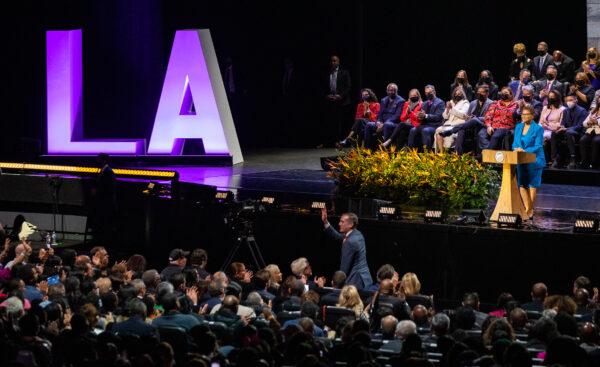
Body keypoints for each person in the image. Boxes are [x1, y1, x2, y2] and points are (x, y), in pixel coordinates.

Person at [321, 206, 372, 290]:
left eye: (342, 222)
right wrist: (325, 221)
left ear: (351, 225)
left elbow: (344, 267)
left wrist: (337, 284)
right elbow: (338, 236)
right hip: (365, 278)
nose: (339, 224)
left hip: (355, 282)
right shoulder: (357, 234)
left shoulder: (350, 242)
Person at [512, 105, 545, 220]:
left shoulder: (538, 128)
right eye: (523, 114)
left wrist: (525, 150)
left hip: (535, 159)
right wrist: (516, 149)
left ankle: (529, 210)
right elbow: (515, 143)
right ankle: (528, 208)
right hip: (521, 159)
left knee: (532, 185)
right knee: (522, 184)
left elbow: (538, 145)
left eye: (527, 114)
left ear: (532, 115)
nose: (524, 116)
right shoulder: (518, 127)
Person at [441, 86, 493, 155]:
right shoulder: (473, 103)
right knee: (462, 130)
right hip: (472, 124)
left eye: (482, 92)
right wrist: (469, 118)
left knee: (474, 119)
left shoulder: (491, 103)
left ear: (487, 93)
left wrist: (477, 118)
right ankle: (457, 154)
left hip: (483, 125)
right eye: (478, 92)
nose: (480, 94)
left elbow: (490, 117)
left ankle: (451, 131)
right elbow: (467, 118)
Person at [321, 55, 352, 147]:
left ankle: (341, 142)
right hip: (330, 101)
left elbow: (348, 86)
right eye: (331, 61)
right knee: (330, 123)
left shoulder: (344, 72)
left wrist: (340, 95)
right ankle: (330, 142)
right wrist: (327, 95)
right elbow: (322, 87)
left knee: (341, 123)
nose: (333, 62)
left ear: (338, 62)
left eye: (335, 61)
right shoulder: (327, 73)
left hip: (342, 102)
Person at [550, 94, 587, 169]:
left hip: (578, 132)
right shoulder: (565, 110)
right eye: (567, 101)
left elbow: (580, 126)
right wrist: (561, 127)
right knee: (554, 133)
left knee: (568, 133)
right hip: (567, 131)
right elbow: (563, 123)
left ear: (576, 100)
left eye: (570, 100)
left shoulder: (582, 111)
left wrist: (566, 129)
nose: (568, 102)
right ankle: (555, 158)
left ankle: (573, 158)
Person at [364, 83, 404, 149]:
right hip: (382, 123)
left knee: (387, 125)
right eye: (390, 90)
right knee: (369, 125)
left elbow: (397, 116)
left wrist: (384, 124)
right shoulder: (384, 100)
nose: (392, 92)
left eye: (394, 90)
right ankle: (368, 149)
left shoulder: (400, 101)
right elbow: (380, 114)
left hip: (393, 123)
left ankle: (386, 150)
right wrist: (378, 122)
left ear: (396, 91)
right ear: (387, 91)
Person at [479, 86, 518, 152]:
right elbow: (488, 115)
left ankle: (486, 156)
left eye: (506, 93)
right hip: (493, 126)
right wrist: (489, 126)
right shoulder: (496, 103)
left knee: (495, 136)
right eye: (502, 93)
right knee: (481, 134)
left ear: (511, 94)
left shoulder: (515, 105)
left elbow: (517, 116)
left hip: (505, 127)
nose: (504, 94)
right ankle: (490, 153)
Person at [91, 153, 117, 246]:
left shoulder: (109, 172)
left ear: (104, 160)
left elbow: (109, 188)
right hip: (102, 203)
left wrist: (97, 191)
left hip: (107, 204)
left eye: (99, 159)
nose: (97, 161)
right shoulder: (102, 171)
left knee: (106, 224)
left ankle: (106, 243)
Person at [408, 85, 444, 149]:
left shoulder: (440, 102)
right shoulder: (424, 103)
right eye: (426, 93)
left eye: (429, 93)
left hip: (435, 125)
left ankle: (427, 153)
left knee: (425, 130)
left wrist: (426, 116)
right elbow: (422, 116)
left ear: (434, 92)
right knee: (413, 130)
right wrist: (419, 116)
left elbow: (438, 117)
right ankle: (411, 152)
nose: (428, 94)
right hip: (425, 124)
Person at [435, 87, 470, 152]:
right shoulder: (451, 102)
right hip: (448, 124)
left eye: (459, 94)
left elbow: (463, 115)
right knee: (438, 130)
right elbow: (445, 117)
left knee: (447, 134)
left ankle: (448, 151)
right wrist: (447, 109)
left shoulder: (466, 103)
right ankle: (441, 152)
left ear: (462, 95)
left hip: (457, 124)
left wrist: (452, 108)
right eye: (456, 93)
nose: (457, 95)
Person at [539, 90, 566, 166]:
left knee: (544, 139)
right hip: (543, 130)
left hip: (554, 131)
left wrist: (548, 125)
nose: (550, 99)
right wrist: (542, 127)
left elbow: (560, 124)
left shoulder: (563, 109)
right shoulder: (545, 108)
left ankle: (552, 160)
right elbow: (540, 122)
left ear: (557, 98)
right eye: (549, 97)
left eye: (553, 97)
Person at [579, 99, 600, 168]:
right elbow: (584, 123)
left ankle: (594, 163)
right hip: (591, 130)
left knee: (596, 141)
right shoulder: (594, 111)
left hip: (599, 131)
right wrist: (588, 122)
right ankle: (584, 161)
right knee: (583, 140)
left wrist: (597, 122)